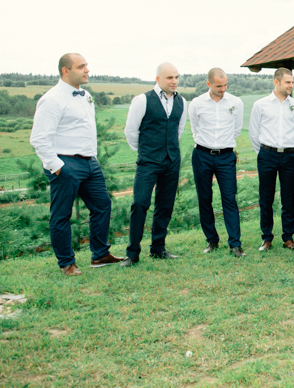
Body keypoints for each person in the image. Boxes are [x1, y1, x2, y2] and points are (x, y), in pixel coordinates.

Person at [29, 53, 123, 275]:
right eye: (81, 66)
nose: (87, 70)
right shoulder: (52, 100)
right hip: (66, 163)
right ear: (65, 70)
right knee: (62, 215)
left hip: (90, 162)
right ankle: (67, 263)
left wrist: (93, 157)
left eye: (86, 66)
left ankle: (100, 255)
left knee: (102, 205)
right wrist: (58, 166)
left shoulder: (86, 95)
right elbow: (39, 138)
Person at [120, 62, 187, 267]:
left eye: (176, 77)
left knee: (165, 206)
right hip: (148, 162)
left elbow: (178, 131)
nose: (174, 81)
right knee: (140, 204)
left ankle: (158, 248)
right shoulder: (142, 100)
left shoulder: (182, 102)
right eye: (169, 78)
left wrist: (169, 152)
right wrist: (146, 152)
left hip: (171, 161)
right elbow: (131, 131)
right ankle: (132, 253)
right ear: (158, 79)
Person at [189, 68, 245, 257]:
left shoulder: (236, 102)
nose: (223, 89)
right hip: (202, 155)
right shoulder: (197, 103)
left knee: (229, 198)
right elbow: (194, 129)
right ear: (209, 84)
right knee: (204, 199)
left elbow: (237, 129)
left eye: (225, 85)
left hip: (226, 156)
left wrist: (222, 145)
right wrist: (207, 146)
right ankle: (212, 240)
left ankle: (235, 244)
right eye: (219, 86)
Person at [249, 68, 294, 252]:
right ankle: (267, 238)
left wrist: (288, 149)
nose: (291, 85)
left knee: (288, 198)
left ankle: (288, 238)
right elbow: (253, 132)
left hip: (289, 155)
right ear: (276, 82)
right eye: (288, 82)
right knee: (266, 198)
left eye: (292, 82)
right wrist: (265, 152)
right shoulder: (260, 104)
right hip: (267, 155)